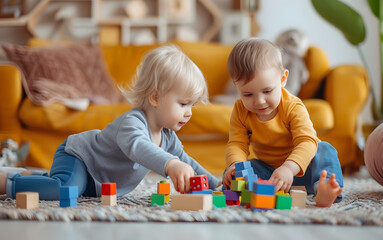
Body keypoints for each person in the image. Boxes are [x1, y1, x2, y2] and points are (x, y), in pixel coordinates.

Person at [0, 45, 219, 200]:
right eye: (183, 104)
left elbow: (187, 162)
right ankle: (6, 183)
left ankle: (27, 174)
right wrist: (171, 164)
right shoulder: (132, 123)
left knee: (68, 184)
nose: (189, 113)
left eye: (192, 106)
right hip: (79, 158)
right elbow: (139, 147)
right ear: (155, 98)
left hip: (93, 181)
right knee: (65, 188)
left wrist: (216, 185)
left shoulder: (168, 138)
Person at [222, 38, 343, 207]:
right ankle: (252, 190)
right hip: (270, 174)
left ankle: (322, 188)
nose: (259, 101)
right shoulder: (240, 110)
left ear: (282, 79)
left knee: (324, 149)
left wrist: (289, 168)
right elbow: (237, 143)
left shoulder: (293, 107)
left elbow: (306, 141)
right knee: (237, 170)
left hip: (304, 172)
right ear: (237, 87)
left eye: (267, 91)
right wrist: (235, 165)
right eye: (248, 95)